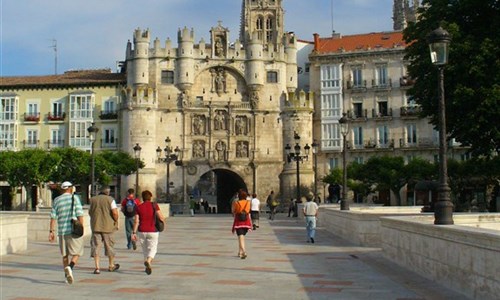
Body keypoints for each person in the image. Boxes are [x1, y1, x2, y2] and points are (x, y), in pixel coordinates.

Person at [48, 181, 84, 284]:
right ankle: (70, 267)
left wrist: (51, 231)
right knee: (77, 252)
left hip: (62, 231)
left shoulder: (56, 200)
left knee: (65, 255)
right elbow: (80, 214)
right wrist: (81, 227)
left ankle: (66, 275)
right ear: (70, 188)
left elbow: (53, 217)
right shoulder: (75, 198)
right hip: (73, 230)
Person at [132, 190, 166, 275]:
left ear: (142, 198)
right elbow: (161, 217)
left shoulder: (138, 207)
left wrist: (133, 232)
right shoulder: (154, 205)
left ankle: (147, 265)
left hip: (141, 231)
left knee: (145, 249)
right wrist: (164, 222)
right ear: (150, 197)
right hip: (153, 231)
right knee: (153, 249)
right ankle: (149, 261)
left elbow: (136, 221)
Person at [88, 185, 120, 274]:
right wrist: (116, 220)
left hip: (96, 226)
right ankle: (111, 265)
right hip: (108, 227)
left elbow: (90, 212)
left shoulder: (93, 200)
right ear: (108, 192)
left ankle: (97, 267)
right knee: (109, 246)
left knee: (96, 246)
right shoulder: (110, 200)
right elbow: (114, 212)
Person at [231, 190, 252, 259]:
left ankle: (244, 251)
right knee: (242, 237)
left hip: (238, 221)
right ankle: (240, 252)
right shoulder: (248, 202)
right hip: (246, 221)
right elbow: (249, 211)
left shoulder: (236, 202)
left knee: (240, 236)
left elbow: (234, 211)